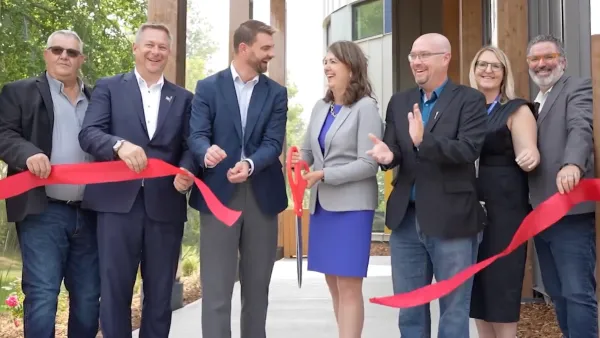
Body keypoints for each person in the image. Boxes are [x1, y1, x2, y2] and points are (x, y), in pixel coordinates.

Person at [78, 22, 196, 338]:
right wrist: (118, 145)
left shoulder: (184, 98)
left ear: (168, 52)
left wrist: (187, 171)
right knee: (114, 291)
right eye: (149, 45)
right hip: (116, 205)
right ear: (135, 48)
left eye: (162, 46)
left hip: (166, 206)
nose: (155, 51)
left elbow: (190, 147)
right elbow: (89, 134)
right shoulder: (109, 87)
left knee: (159, 296)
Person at [366, 33, 488, 338]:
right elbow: (395, 149)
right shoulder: (401, 101)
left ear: (445, 58)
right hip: (406, 221)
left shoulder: (469, 100)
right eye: (412, 56)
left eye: (424, 55)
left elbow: (468, 150)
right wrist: (387, 155)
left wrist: (424, 141)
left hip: (453, 221)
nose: (416, 62)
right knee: (409, 310)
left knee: (454, 309)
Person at [187, 19, 288, 338]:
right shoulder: (207, 87)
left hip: (262, 196)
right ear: (244, 49)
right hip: (218, 196)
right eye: (266, 48)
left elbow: (274, 143)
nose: (270, 54)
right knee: (216, 293)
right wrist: (206, 152)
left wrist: (249, 164)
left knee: (257, 293)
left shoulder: (276, 94)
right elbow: (197, 135)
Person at [0, 30, 100, 338]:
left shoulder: (98, 98)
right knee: (43, 295)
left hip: (91, 213)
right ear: (46, 54)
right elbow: (4, 135)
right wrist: (28, 154)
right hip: (42, 211)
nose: (64, 56)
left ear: (81, 59)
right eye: (57, 50)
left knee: (87, 299)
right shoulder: (19, 92)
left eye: (72, 52)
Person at [291, 40, 383, 338]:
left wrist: (323, 174)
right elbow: (307, 150)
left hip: (352, 209)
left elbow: (368, 165)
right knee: (333, 282)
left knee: (349, 285)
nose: (327, 67)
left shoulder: (366, 107)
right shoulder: (321, 107)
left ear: (352, 67)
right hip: (322, 207)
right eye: (325, 62)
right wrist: (299, 163)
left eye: (333, 62)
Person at [526, 34, 597, 338]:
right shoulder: (534, 104)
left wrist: (573, 164)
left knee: (578, 292)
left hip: (571, 211)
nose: (542, 64)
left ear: (562, 62)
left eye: (549, 57)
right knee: (557, 291)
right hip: (541, 214)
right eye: (535, 59)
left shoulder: (577, 87)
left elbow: (580, 127)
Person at [466, 46, 539, 338]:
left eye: (495, 66)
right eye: (482, 64)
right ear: (474, 70)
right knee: (478, 285)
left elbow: (529, 150)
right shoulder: (465, 109)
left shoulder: (516, 109)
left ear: (504, 73)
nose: (488, 70)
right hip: (469, 208)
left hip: (506, 210)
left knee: (501, 282)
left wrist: (530, 155)